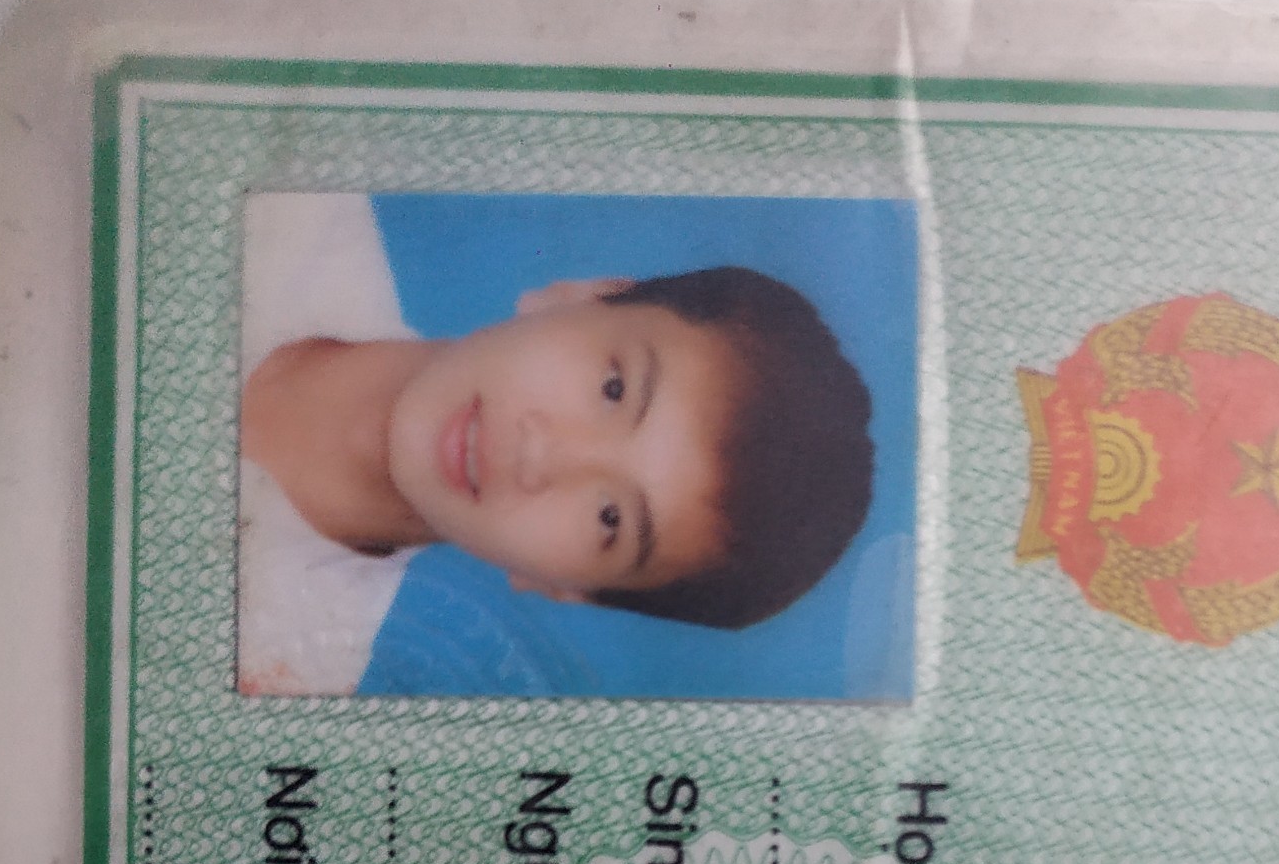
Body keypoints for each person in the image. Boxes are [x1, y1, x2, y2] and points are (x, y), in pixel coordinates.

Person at [236, 193, 877, 696]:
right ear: (583, 295)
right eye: (613, 388)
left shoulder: (279, 675)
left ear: (563, 588)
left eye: (610, 518)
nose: (542, 457)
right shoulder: (272, 213)